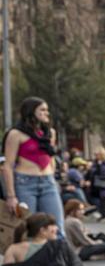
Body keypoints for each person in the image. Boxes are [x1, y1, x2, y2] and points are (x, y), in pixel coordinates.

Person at [2, 97, 65, 232]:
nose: (46, 113)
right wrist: (11, 196)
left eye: (47, 110)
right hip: (25, 182)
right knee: (28, 227)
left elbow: (50, 156)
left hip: (48, 182)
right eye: (42, 110)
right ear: (31, 112)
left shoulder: (49, 133)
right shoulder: (15, 134)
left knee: (57, 226)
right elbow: (7, 166)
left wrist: (52, 175)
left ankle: (58, 252)